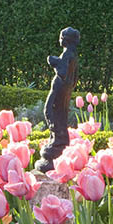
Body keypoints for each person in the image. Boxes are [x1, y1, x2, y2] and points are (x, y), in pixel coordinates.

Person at [35, 27, 79, 173]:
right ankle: (58, 140)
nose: (59, 39)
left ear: (66, 39)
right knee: (61, 114)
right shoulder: (73, 55)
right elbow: (74, 78)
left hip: (59, 89)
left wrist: (52, 61)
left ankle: (58, 141)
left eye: (61, 37)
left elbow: (62, 71)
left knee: (50, 111)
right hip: (64, 89)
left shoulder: (67, 54)